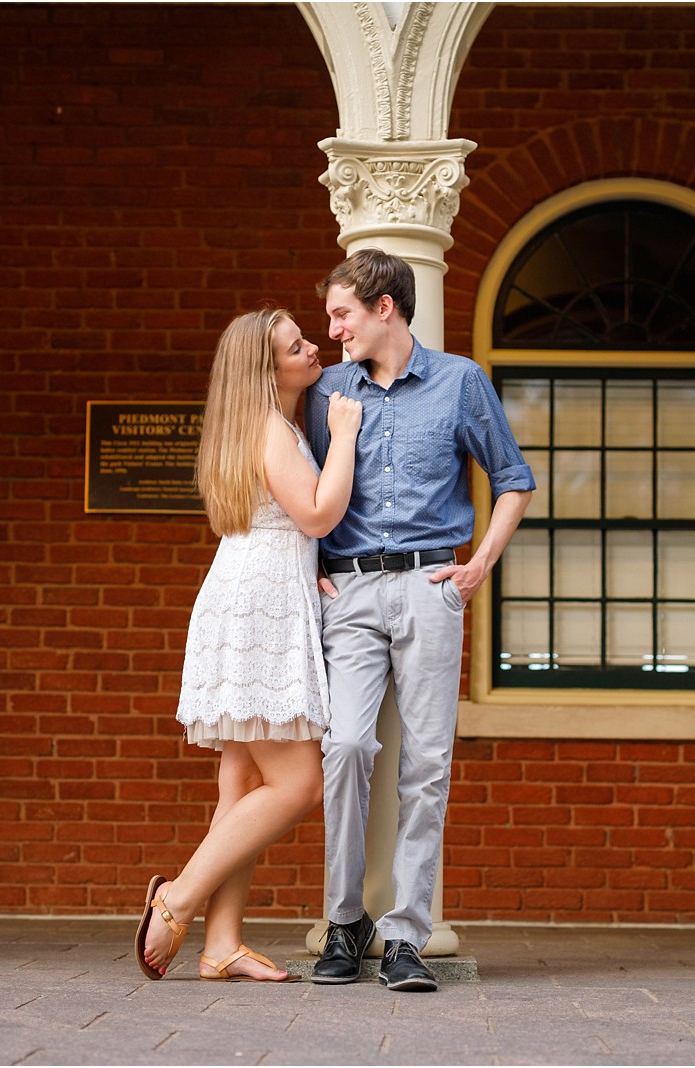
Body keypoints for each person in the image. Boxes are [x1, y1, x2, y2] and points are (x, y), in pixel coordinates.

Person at [303, 249, 535, 992]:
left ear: (384, 308)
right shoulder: (327, 391)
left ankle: (406, 935)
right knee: (344, 748)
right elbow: (296, 488)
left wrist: (479, 566)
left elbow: (513, 480)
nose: (332, 329)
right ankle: (346, 922)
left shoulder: (460, 381)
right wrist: (309, 568)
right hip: (350, 591)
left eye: (342, 313)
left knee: (426, 762)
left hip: (433, 585)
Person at [137, 306, 362, 983]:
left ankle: (221, 944)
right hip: (259, 605)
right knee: (297, 784)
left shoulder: (271, 426)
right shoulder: (271, 428)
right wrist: (346, 435)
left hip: (256, 592)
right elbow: (318, 511)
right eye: (297, 347)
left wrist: (316, 570)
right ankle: (176, 900)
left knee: (242, 779)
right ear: (267, 372)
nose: (312, 348)